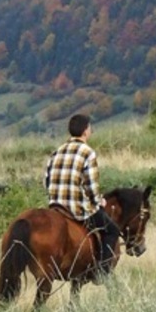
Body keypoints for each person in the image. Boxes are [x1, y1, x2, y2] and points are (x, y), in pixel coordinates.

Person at [44, 113, 120, 280]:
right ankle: (103, 272)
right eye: (90, 128)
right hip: (77, 209)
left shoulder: (56, 152)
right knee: (112, 230)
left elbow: (46, 182)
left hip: (55, 207)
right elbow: (91, 186)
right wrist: (99, 200)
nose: (90, 131)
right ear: (85, 131)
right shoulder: (88, 152)